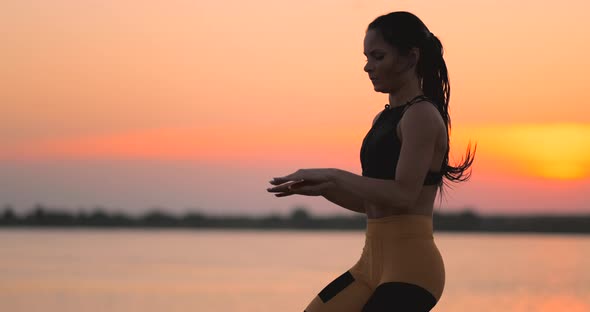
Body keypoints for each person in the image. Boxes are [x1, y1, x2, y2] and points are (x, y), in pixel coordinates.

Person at [266, 11, 476, 312]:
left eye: (378, 56)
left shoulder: (421, 116)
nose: (367, 67)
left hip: (412, 271)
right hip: (369, 267)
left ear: (409, 58)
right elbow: (373, 203)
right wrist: (324, 187)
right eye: (367, 57)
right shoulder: (383, 119)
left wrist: (334, 175)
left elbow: (403, 195)